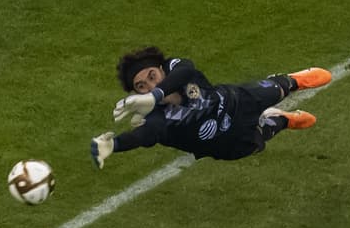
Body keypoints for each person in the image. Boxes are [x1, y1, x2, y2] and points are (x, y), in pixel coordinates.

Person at [90, 46, 332, 168]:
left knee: (278, 89)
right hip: (226, 146)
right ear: (136, 94)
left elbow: (186, 70)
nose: (151, 85)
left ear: (162, 69)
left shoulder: (176, 69)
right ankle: (280, 120)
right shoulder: (157, 119)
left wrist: (156, 94)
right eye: (141, 86)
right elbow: (144, 135)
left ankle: (292, 80)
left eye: (152, 76)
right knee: (260, 138)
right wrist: (115, 145)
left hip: (238, 101)